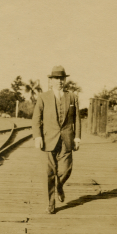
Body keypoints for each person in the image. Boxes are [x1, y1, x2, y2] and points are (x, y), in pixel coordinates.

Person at [32, 65, 81, 214]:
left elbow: (77, 119)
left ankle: (59, 185)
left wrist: (77, 137)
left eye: (62, 79)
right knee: (48, 173)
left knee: (67, 169)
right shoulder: (43, 97)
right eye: (57, 79)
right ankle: (50, 204)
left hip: (67, 139)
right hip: (48, 140)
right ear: (51, 80)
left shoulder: (72, 97)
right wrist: (38, 136)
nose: (60, 81)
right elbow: (36, 119)